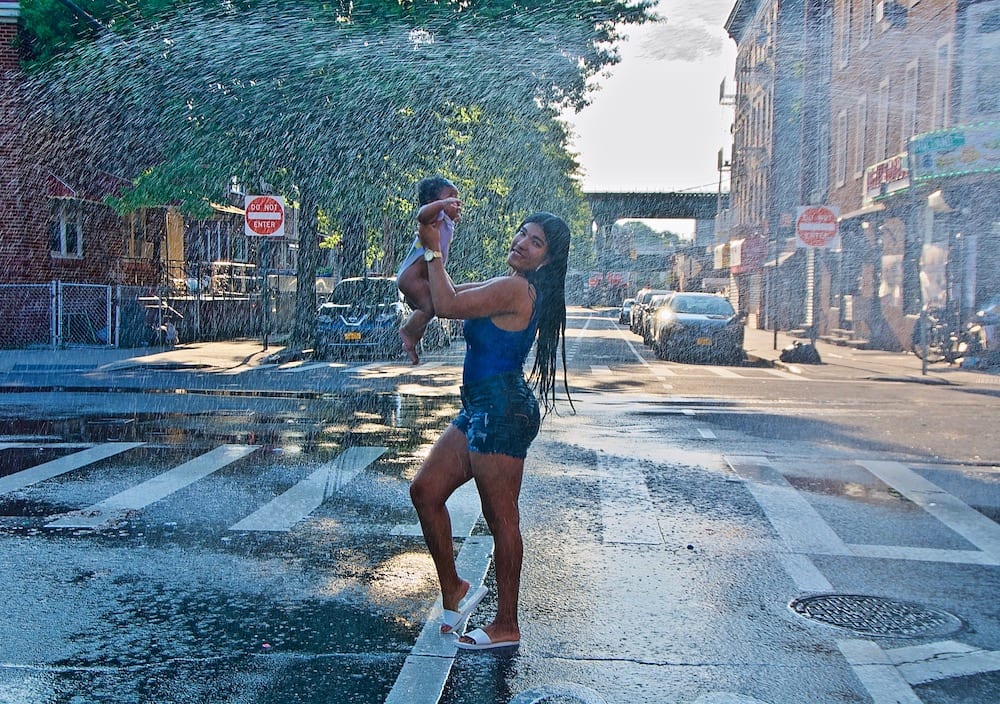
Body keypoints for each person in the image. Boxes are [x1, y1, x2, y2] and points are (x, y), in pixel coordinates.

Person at [408, 211, 573, 651]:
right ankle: (455, 587)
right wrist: (429, 244)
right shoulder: (502, 283)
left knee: (502, 520)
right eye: (522, 232)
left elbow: (446, 305)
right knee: (425, 491)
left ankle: (506, 623)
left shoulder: (517, 289)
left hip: (502, 408)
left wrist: (434, 247)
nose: (521, 242)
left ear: (547, 259)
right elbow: (433, 294)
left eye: (535, 242)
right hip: (482, 406)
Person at [396, 176, 463, 364]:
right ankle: (406, 331)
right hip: (412, 275)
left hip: (423, 274)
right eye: (451, 196)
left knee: (433, 308)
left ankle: (411, 343)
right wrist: (443, 205)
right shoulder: (433, 217)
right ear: (434, 203)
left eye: (457, 197)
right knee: (429, 308)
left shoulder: (446, 221)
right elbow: (421, 214)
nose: (456, 201)